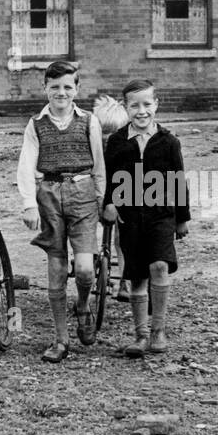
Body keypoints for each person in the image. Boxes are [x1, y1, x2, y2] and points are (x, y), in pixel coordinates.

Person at [16, 60, 105, 363]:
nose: (61, 92)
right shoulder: (36, 123)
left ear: (77, 89)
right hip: (49, 195)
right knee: (56, 271)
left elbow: (99, 164)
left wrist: (103, 200)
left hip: (82, 194)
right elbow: (26, 166)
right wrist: (29, 203)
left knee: (83, 268)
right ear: (45, 88)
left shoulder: (89, 121)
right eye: (55, 87)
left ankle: (82, 305)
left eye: (68, 87)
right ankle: (61, 339)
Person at [102, 79, 189, 358]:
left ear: (156, 105)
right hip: (130, 217)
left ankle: (158, 330)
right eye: (134, 105)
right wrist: (110, 204)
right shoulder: (116, 142)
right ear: (125, 107)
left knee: (160, 266)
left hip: (161, 214)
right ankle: (140, 334)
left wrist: (181, 219)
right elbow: (110, 178)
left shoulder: (168, 142)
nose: (141, 111)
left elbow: (178, 181)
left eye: (147, 104)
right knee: (137, 276)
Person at [92, 93, 130, 301]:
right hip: (98, 194)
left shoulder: (126, 150)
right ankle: (91, 267)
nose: (108, 138)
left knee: (122, 238)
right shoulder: (94, 149)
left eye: (113, 132)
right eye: (103, 132)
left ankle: (125, 280)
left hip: (121, 195)